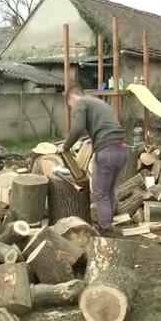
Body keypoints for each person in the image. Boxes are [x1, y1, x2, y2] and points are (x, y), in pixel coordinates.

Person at [60, 85, 127, 234]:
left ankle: (104, 228)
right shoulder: (99, 103)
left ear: (71, 98)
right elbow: (104, 125)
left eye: (70, 106)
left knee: (99, 193)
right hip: (121, 149)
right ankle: (108, 223)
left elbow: (77, 128)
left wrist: (65, 146)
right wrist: (93, 138)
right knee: (108, 190)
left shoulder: (80, 103)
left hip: (106, 152)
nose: (72, 109)